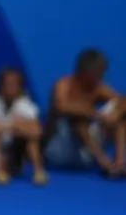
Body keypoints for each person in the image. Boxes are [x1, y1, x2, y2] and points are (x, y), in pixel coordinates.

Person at [44, 48, 126, 177]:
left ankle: (119, 164)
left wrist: (115, 113)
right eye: (100, 71)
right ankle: (103, 161)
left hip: (87, 151)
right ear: (88, 72)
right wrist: (96, 114)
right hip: (62, 149)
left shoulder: (99, 88)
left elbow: (121, 100)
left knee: (119, 114)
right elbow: (62, 106)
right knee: (78, 117)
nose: (103, 75)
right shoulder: (64, 84)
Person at [0, 67, 47, 185]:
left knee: (31, 139)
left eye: (15, 84)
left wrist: (7, 127)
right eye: (8, 84)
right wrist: (14, 124)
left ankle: (38, 172)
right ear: (0, 85)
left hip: (15, 150)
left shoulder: (26, 105)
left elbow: (37, 132)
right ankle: (0, 172)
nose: (11, 87)